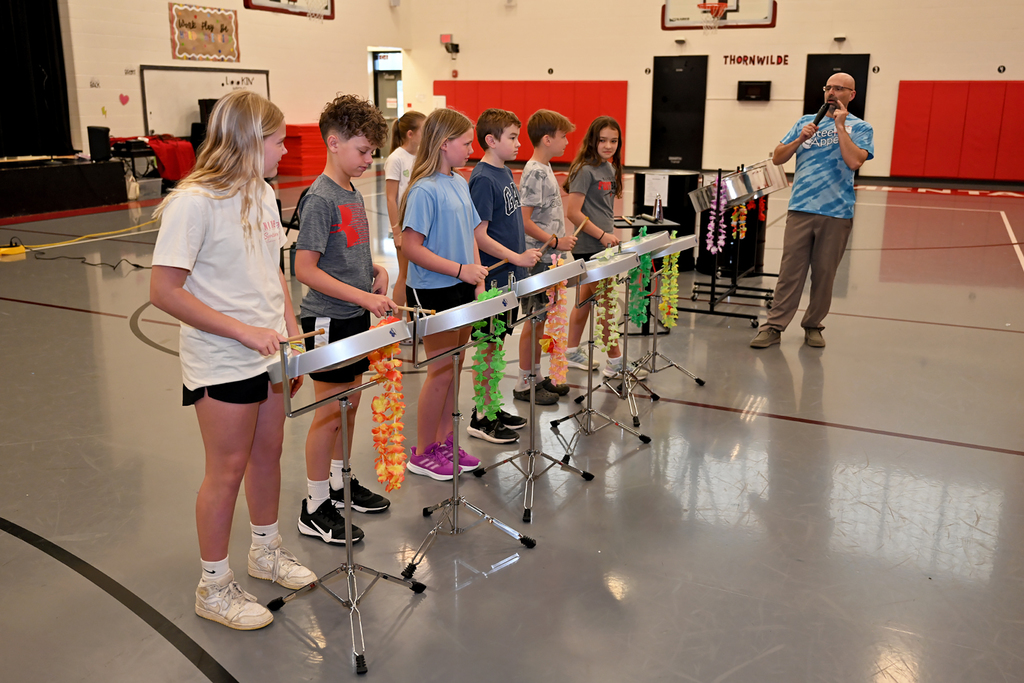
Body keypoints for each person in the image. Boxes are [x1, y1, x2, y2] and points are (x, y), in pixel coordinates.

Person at [150, 90, 315, 631]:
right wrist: (243, 331)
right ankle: (213, 586)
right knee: (225, 471)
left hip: (269, 355)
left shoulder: (264, 194)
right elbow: (164, 291)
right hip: (222, 359)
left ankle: (265, 550)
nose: (284, 151)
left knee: (269, 455)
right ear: (247, 140)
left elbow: (272, 274)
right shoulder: (192, 202)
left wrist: (291, 333)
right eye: (276, 141)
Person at [293, 94, 397, 546]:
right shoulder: (319, 198)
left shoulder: (351, 192)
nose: (368, 159)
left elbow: (345, 253)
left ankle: (339, 483)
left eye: (372, 151)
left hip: (355, 313)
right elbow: (305, 269)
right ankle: (314, 505)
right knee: (327, 415)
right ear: (333, 143)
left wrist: (375, 269)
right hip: (327, 320)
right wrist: (359, 295)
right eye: (362, 150)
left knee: (349, 407)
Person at [750, 72, 873, 349]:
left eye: (839, 89)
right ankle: (774, 326)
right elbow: (778, 157)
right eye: (828, 87)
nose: (831, 93)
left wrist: (841, 127)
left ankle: (813, 325)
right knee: (789, 272)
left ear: (851, 95)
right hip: (801, 208)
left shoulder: (861, 128)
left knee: (824, 273)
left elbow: (854, 162)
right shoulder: (806, 122)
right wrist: (798, 139)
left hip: (836, 212)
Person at [399, 108, 489, 480]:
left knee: (455, 367)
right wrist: (458, 270)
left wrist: (477, 276)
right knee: (438, 371)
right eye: (466, 143)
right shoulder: (423, 189)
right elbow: (411, 247)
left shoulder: (458, 181)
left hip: (463, 285)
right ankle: (422, 452)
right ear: (444, 144)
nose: (471, 149)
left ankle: (445, 441)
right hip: (432, 290)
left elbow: (471, 233)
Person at [468, 108, 542, 442]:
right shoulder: (483, 178)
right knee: (487, 346)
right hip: (494, 278)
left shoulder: (504, 172)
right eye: (512, 137)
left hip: (509, 276)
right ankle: (481, 417)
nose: (518, 143)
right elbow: (479, 235)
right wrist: (517, 257)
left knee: (497, 345)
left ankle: (492, 406)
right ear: (491, 140)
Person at [562, 116, 646, 379]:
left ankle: (572, 351)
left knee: (586, 300)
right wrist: (602, 235)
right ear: (592, 141)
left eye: (614, 141)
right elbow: (573, 212)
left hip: (603, 243)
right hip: (590, 246)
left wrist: (610, 228)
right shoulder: (584, 170)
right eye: (603, 140)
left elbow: (600, 209)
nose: (608, 145)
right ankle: (615, 362)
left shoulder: (609, 168)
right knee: (608, 302)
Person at [515, 109, 577, 405]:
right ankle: (523, 382)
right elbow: (524, 220)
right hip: (538, 257)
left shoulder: (545, 167)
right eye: (563, 136)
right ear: (547, 139)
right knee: (534, 318)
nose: (567, 142)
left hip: (549, 258)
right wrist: (555, 240)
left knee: (542, 318)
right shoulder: (535, 171)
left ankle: (537, 376)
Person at [385, 111, 426, 318]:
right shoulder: (396, 159)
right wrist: (397, 232)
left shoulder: (421, 156)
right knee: (405, 274)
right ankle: (395, 323)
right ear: (411, 134)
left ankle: (412, 320)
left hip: (419, 225)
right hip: (404, 226)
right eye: (423, 129)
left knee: (415, 275)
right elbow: (391, 198)